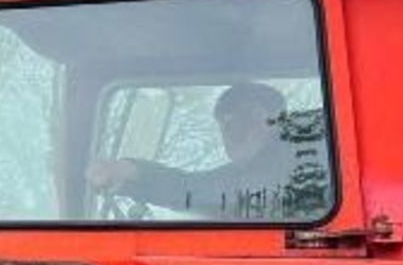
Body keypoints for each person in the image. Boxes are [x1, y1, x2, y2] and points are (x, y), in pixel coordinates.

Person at [85, 81, 326, 221]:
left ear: (278, 119)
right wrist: (131, 172)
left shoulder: (315, 156)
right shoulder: (240, 176)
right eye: (225, 123)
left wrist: (134, 174)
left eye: (248, 116)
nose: (234, 131)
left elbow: (191, 191)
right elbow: (188, 189)